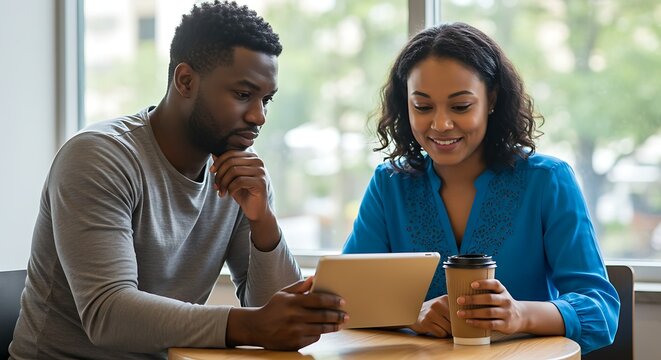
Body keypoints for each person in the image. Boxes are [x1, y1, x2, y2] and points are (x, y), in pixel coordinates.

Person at [9, 2, 347, 359]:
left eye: (267, 100)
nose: (259, 116)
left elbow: (281, 321)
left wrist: (263, 223)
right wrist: (248, 325)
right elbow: (107, 314)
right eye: (243, 95)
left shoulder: (240, 177)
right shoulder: (99, 156)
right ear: (185, 80)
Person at [342, 22, 619, 354]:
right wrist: (410, 316)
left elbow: (602, 309)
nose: (441, 124)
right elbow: (346, 298)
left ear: (492, 99)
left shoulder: (548, 180)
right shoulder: (389, 184)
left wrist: (521, 315)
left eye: (460, 107)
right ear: (405, 105)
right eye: (423, 106)